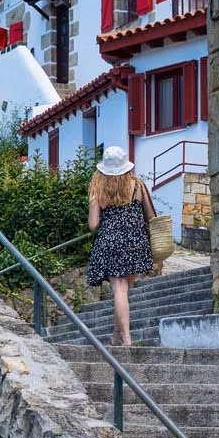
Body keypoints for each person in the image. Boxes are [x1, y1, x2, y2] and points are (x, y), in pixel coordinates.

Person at [86, 146, 155, 346]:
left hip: (111, 241)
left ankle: (126, 337)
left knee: (119, 290)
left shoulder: (98, 189)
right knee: (125, 289)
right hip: (135, 241)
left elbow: (93, 224)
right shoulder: (137, 185)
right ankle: (117, 336)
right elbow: (150, 216)